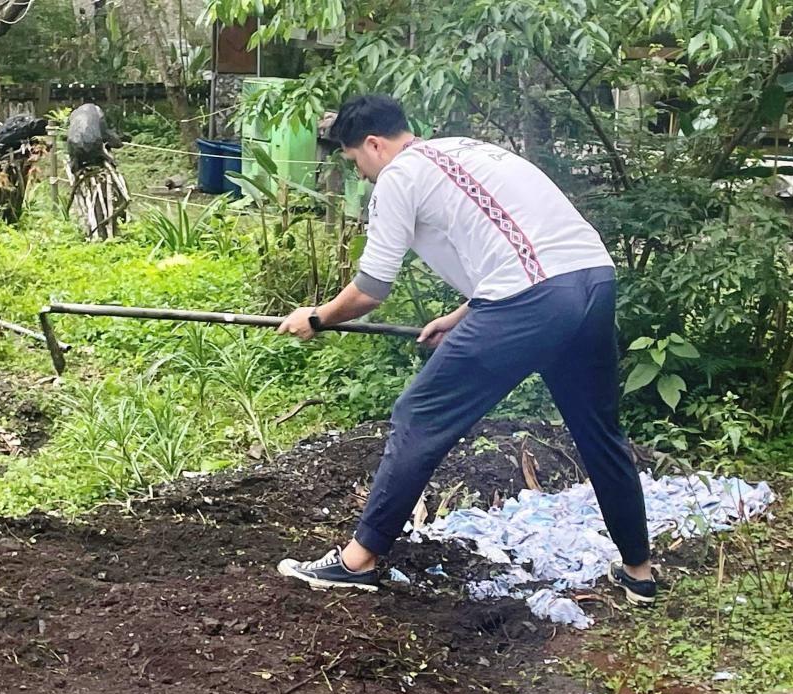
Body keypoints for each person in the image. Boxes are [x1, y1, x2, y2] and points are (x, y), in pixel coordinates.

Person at [275, 95, 656, 606]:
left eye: (353, 161)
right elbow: (515, 244)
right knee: (599, 431)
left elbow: (370, 288)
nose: (359, 173)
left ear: (372, 145)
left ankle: (356, 561)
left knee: (419, 414)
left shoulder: (398, 176)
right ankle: (639, 572)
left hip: (531, 300)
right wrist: (462, 318)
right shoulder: (467, 151)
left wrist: (317, 317)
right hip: (591, 281)